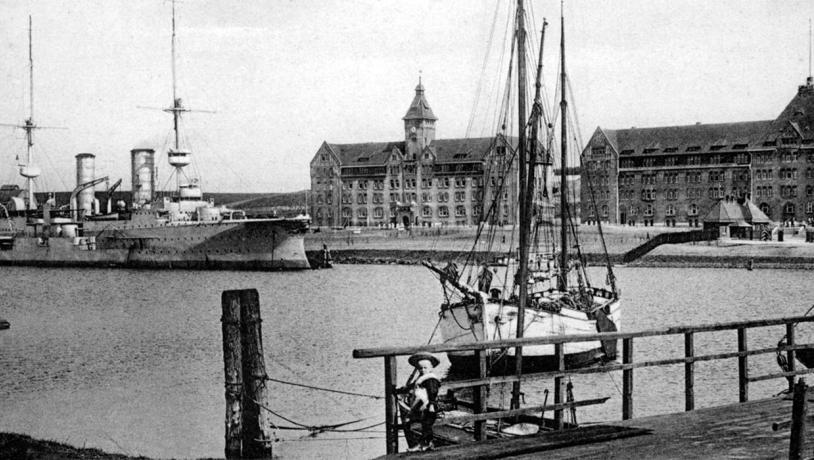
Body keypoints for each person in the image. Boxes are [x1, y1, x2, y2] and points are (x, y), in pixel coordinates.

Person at [399, 352, 442, 451]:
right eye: (420, 368)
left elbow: (433, 392)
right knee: (424, 425)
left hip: (429, 406)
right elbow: (412, 386)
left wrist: (432, 405)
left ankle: (426, 444)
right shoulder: (421, 378)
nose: (422, 370)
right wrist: (402, 390)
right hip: (421, 405)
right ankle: (426, 444)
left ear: (431, 368)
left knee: (426, 425)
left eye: (425, 368)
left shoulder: (431, 379)